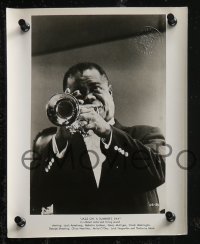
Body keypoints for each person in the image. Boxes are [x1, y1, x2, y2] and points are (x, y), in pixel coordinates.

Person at [30, 62, 165, 215]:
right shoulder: (57, 147)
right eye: (78, 94)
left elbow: (157, 174)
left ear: (110, 92)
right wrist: (60, 142)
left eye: (95, 88)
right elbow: (36, 197)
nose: (88, 97)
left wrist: (108, 132)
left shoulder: (145, 134)